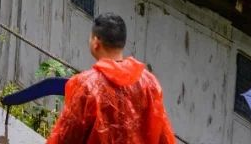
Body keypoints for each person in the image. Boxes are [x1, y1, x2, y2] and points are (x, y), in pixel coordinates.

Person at [46, 13, 176, 144]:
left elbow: (65, 136)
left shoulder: (86, 85)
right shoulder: (149, 82)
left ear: (96, 42)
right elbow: (164, 135)